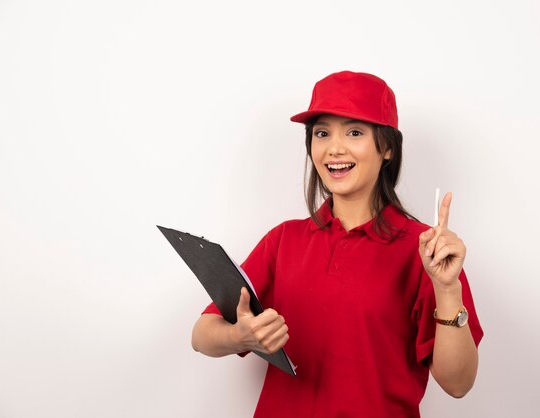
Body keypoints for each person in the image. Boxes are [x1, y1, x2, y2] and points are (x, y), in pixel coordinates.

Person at [191, 70, 484, 418]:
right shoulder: (284, 240)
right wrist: (241, 336)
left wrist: (447, 289)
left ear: (387, 147)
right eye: (322, 133)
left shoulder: (426, 251)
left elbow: (458, 384)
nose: (334, 148)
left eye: (355, 132)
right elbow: (201, 334)